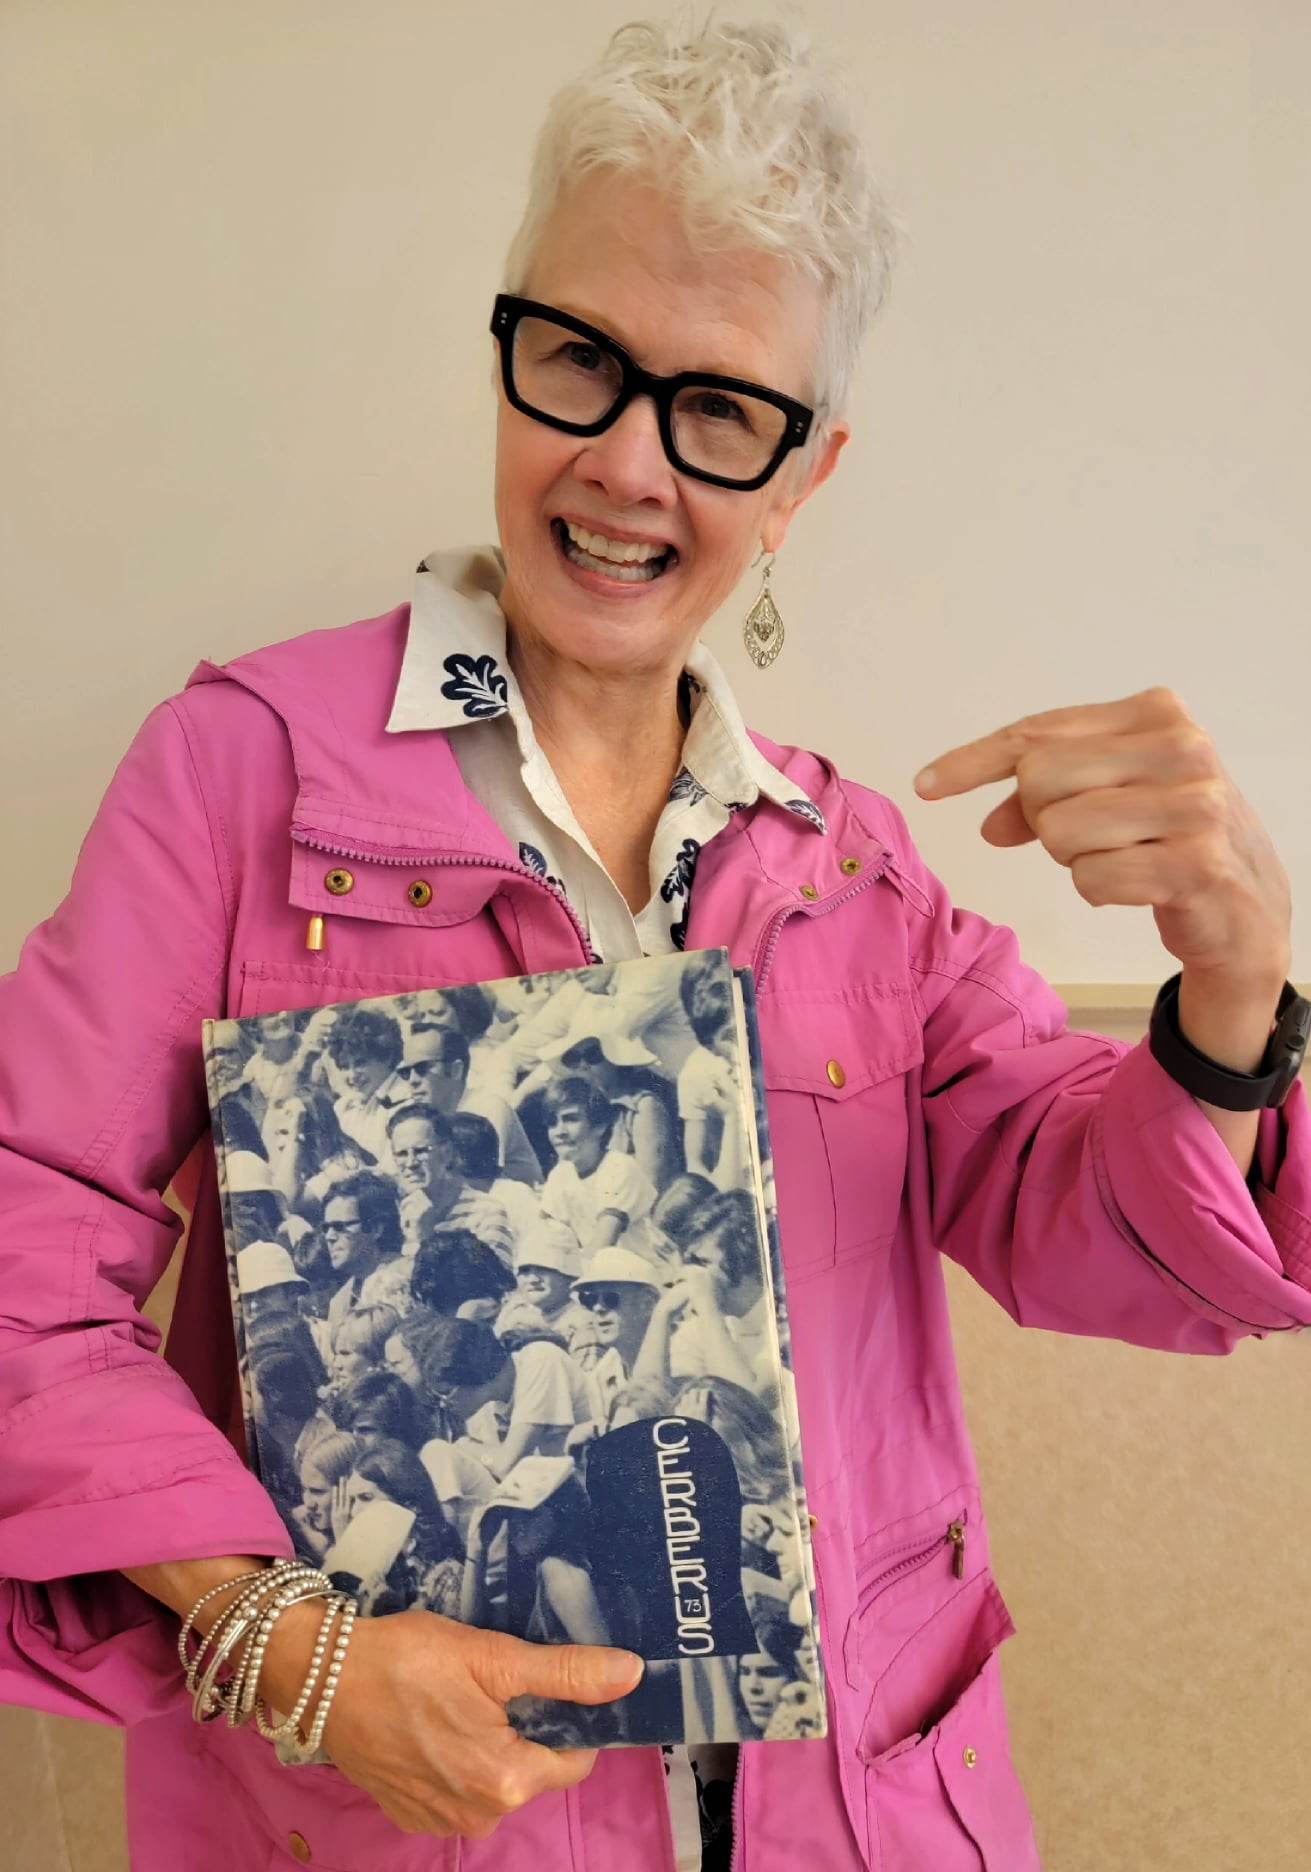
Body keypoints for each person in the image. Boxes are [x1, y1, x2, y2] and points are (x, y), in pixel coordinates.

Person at [2, 17, 1304, 1872]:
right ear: (509, 343)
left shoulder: (854, 867)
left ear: (804, 475)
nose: (626, 463)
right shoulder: (242, 776)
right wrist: (297, 1656)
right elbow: (17, 1266)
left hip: (866, 1821)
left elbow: (1098, 1232)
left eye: (718, 411)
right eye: (580, 363)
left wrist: (1234, 996)